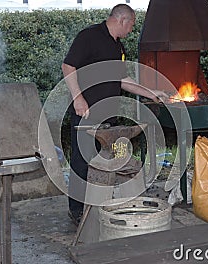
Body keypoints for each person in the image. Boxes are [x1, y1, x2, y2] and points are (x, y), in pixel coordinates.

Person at [62, 4, 169, 225]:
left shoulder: (117, 47)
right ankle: (77, 211)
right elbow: (68, 66)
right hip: (86, 113)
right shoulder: (89, 36)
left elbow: (123, 80)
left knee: (108, 162)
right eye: (131, 25)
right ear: (123, 20)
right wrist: (78, 98)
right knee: (81, 163)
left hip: (108, 119)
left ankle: (102, 203)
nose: (131, 30)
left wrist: (151, 92)